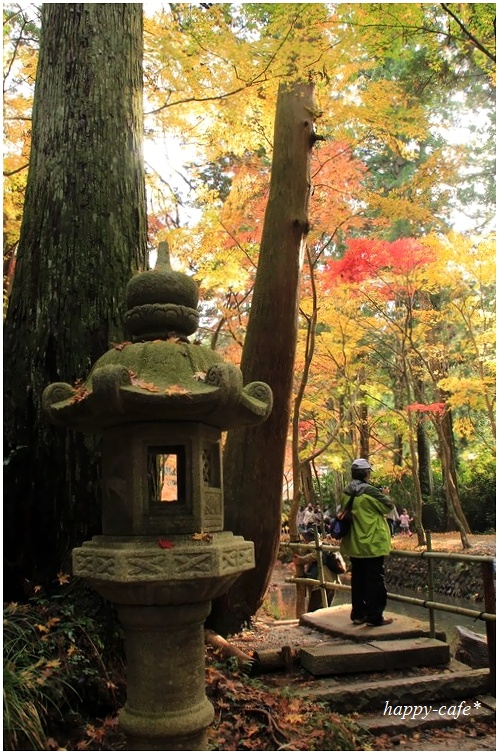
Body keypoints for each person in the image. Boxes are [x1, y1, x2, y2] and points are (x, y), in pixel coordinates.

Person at [339, 457, 394, 627]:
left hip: (354, 542)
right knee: (375, 579)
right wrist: (384, 494)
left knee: (358, 579)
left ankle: (358, 614)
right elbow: (388, 507)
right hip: (372, 542)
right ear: (366, 473)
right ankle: (374, 616)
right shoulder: (371, 492)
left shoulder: (347, 492)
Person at [294, 529, 346, 612]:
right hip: (333, 583)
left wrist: (301, 560)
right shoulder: (326, 545)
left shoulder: (313, 544)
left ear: (307, 539)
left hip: (322, 582)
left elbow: (317, 555)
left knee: (313, 611)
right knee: (325, 610)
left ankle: (311, 625)